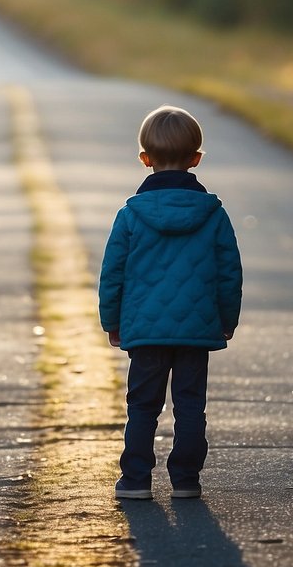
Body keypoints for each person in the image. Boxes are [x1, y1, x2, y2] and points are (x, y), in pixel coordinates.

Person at [99, 105, 242, 500]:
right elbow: (229, 273)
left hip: (145, 331)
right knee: (191, 405)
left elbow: (113, 274)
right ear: (196, 159)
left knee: (142, 406)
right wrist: (225, 319)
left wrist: (112, 321)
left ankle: (135, 480)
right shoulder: (214, 215)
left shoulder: (130, 215)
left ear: (145, 160)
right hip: (196, 330)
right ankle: (185, 479)